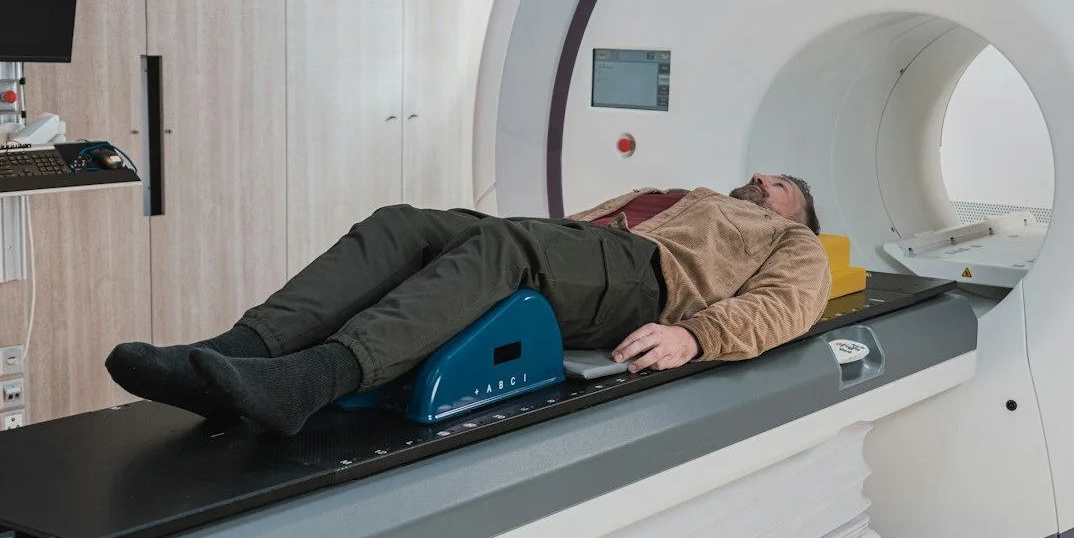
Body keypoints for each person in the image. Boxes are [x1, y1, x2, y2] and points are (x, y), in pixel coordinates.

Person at [107, 173, 832, 435]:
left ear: (797, 214)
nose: (760, 180)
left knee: (506, 245)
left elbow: (787, 307)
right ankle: (237, 352)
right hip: (579, 245)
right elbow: (566, 236)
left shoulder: (788, 241)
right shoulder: (676, 192)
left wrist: (696, 337)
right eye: (761, 175)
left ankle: (310, 380)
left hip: (647, 279)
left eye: (779, 186)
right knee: (402, 224)